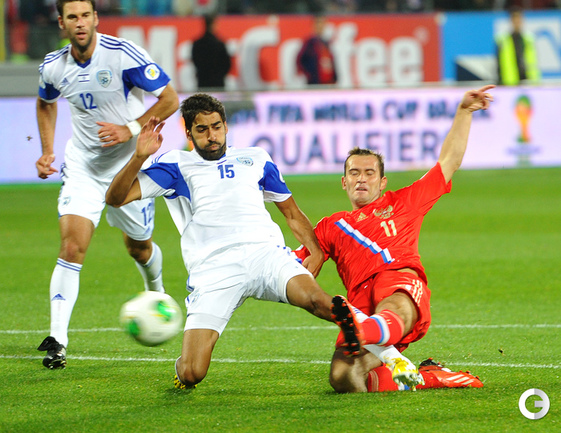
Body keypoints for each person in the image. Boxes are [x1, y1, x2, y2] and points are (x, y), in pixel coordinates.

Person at [105, 93, 418, 390]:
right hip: (214, 270)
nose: (212, 136)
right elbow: (115, 198)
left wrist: (315, 250)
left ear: (226, 126)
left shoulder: (255, 159)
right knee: (192, 373)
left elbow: (291, 213)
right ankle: (183, 370)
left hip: (265, 256)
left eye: (216, 127)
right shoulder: (175, 166)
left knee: (319, 300)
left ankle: (394, 358)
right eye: (202, 130)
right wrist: (139, 157)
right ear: (188, 132)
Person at [295, 86, 494, 393]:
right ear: (344, 182)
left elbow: (448, 162)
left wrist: (464, 111)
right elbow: (294, 264)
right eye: (354, 173)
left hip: (398, 281)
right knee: (344, 378)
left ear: (382, 181)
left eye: (369, 173)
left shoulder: (404, 202)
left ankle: (365, 331)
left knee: (395, 307)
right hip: (361, 304)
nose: (362, 179)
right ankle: (428, 376)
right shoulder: (330, 226)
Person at [35, 0, 179, 369]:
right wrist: (47, 150)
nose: (80, 23)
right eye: (72, 17)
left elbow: (169, 99)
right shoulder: (54, 66)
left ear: (96, 18)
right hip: (83, 166)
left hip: (128, 168)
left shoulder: (123, 56)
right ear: (62, 23)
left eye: (86, 15)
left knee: (139, 248)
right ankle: (58, 340)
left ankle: (157, 292)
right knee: (72, 246)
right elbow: (46, 102)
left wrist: (129, 129)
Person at [495, 7, 540, 86]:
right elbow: (498, 63)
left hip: (528, 81)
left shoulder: (528, 39)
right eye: (515, 20)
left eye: (519, 19)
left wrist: (534, 80)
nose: (517, 23)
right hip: (509, 82)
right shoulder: (503, 40)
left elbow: (533, 61)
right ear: (511, 21)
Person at [191, 14, 231, 90]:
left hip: (203, 82)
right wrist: (219, 75)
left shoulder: (197, 44)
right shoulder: (220, 44)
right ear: (213, 24)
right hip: (218, 83)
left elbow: (195, 61)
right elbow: (227, 64)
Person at [296, 14, 337, 86]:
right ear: (314, 25)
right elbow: (300, 60)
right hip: (315, 82)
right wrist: (310, 75)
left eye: (322, 23)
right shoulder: (309, 43)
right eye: (318, 23)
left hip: (328, 82)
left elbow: (330, 62)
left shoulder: (326, 43)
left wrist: (334, 77)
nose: (320, 26)